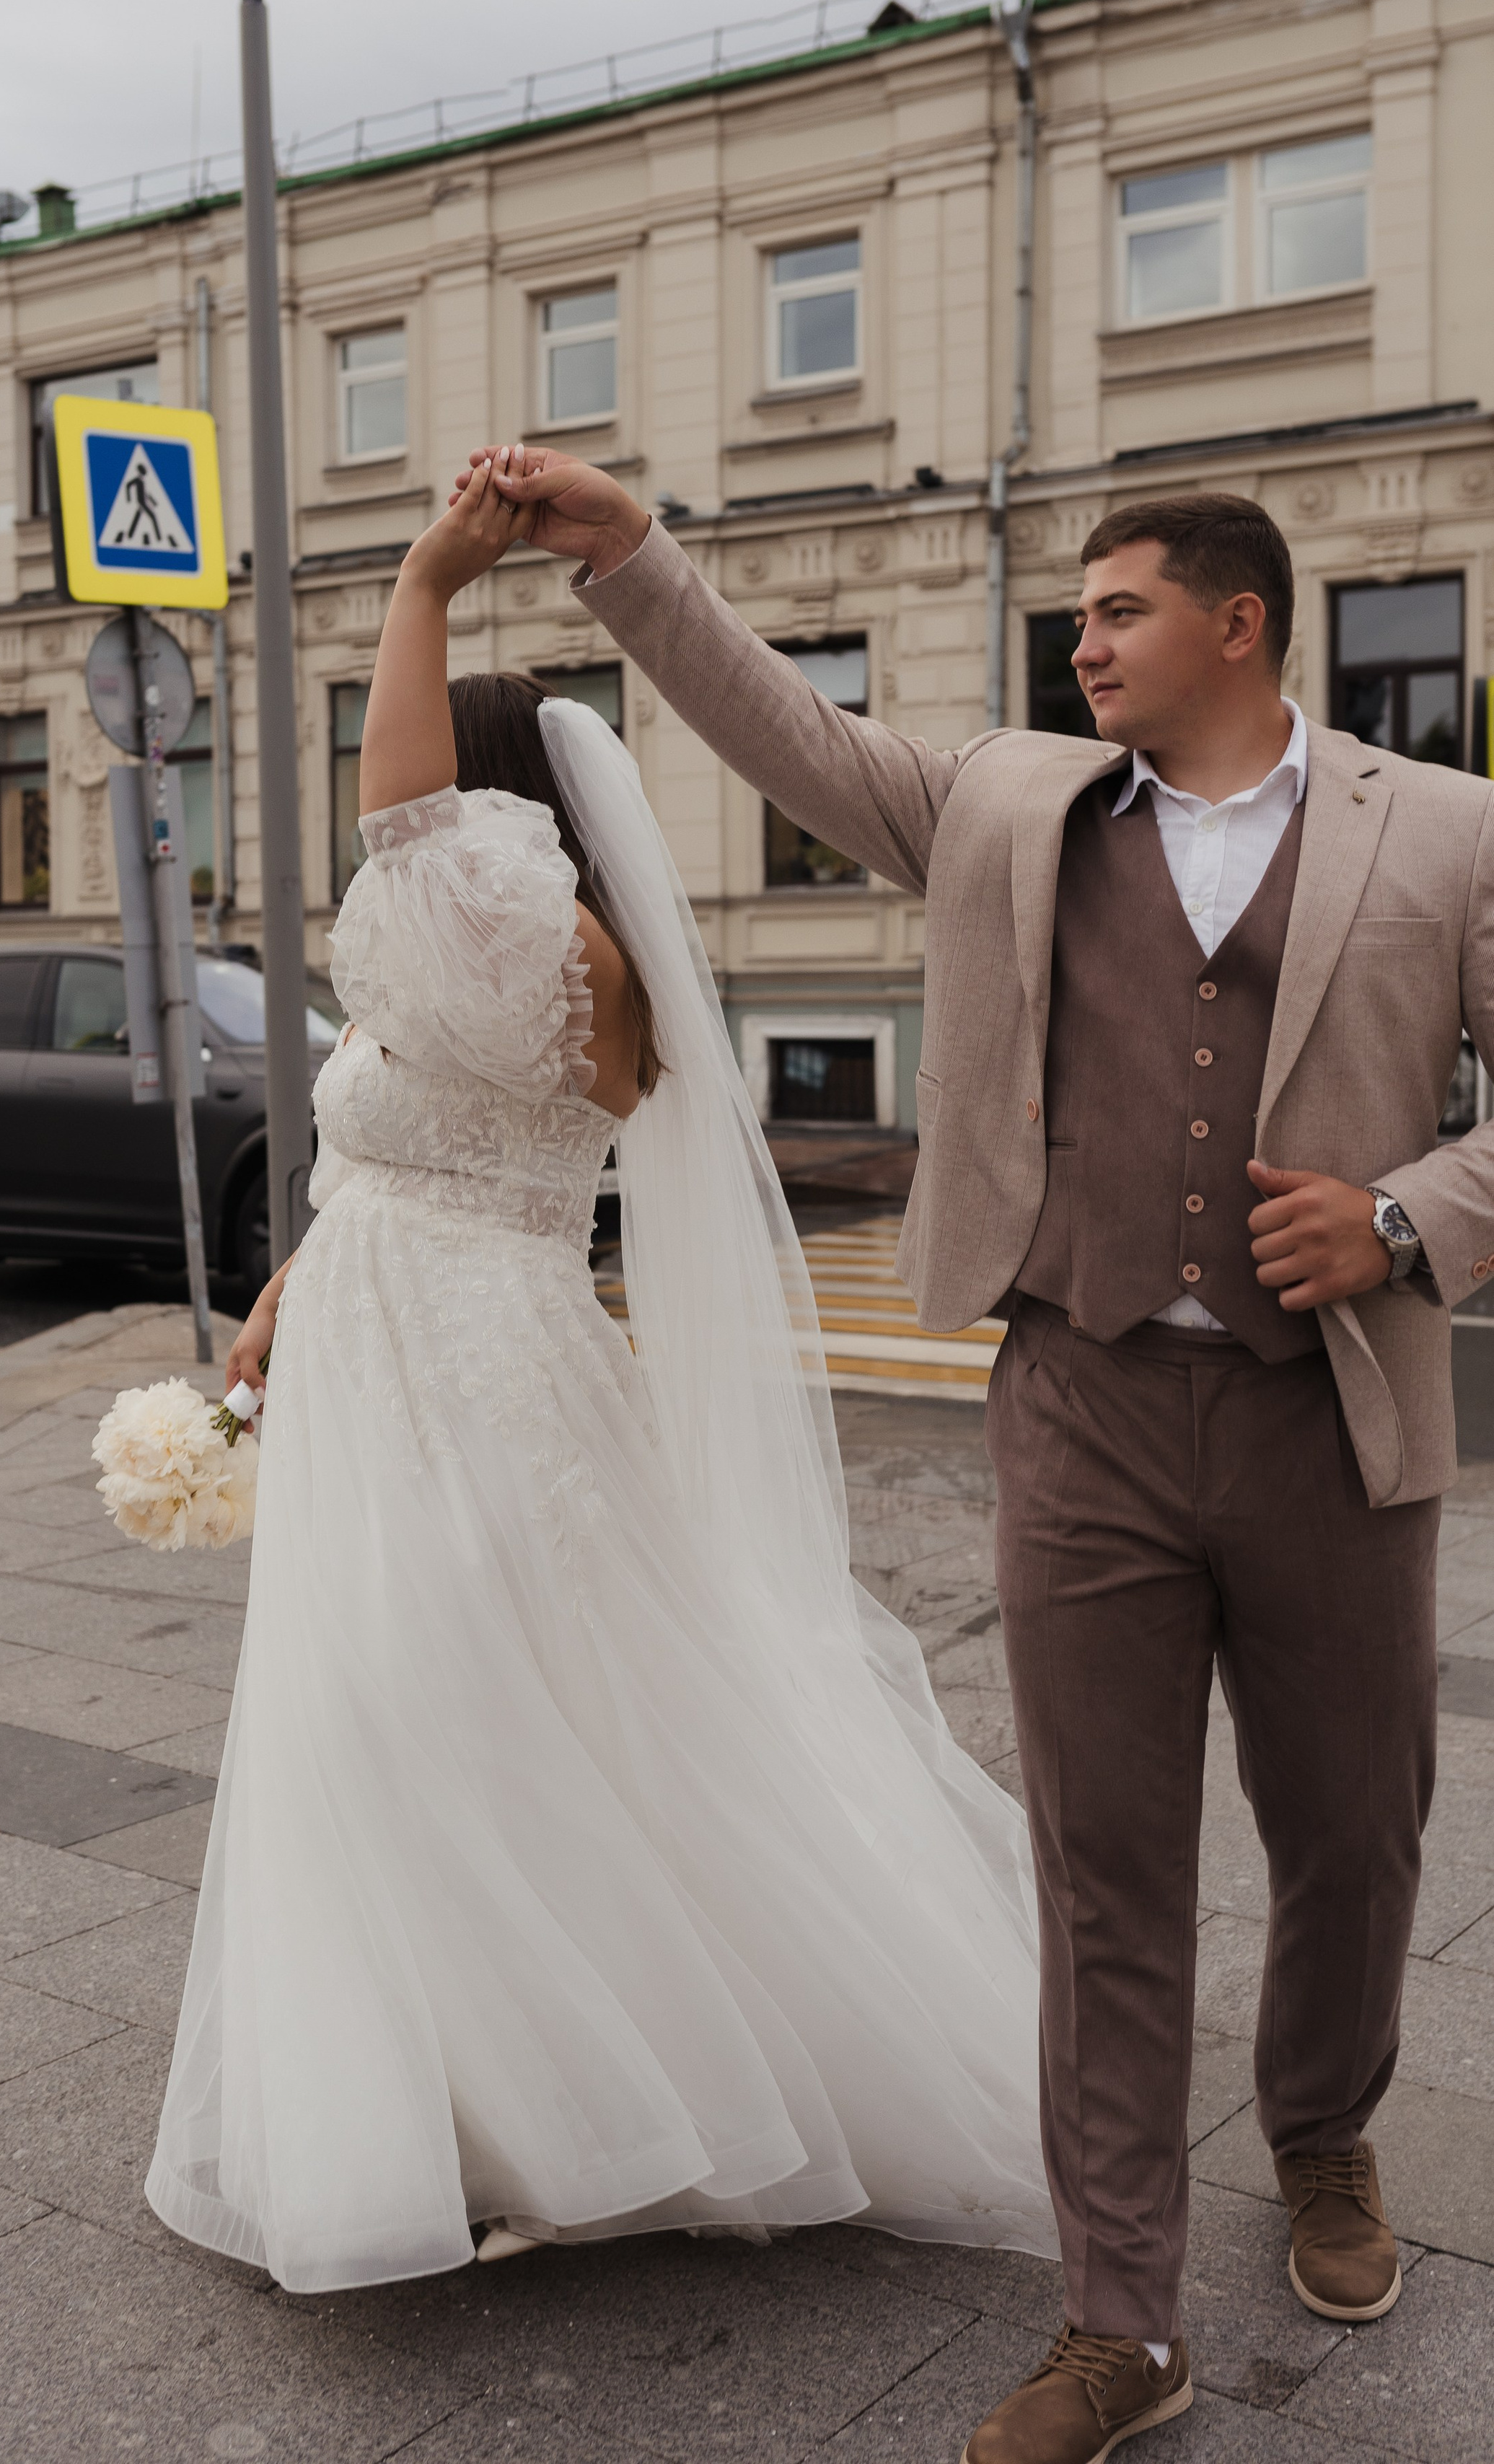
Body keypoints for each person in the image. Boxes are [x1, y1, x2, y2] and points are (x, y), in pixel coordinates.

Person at [472, 446, 1487, 2464]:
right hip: (1084, 1406)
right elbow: (785, 725)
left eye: (1116, 612)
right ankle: (1121, 2321)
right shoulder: (1005, 799)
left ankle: (1320, 2134)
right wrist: (631, 560)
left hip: (1328, 1419)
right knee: (1104, 1878)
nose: (1081, 639)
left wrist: (1402, 1220)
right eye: (1079, 619)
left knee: (1352, 1840)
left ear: (1238, 623)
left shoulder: (1449, 834)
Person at [146, 453, 1057, 2296]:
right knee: (436, 1723)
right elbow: (416, 1149)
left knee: (435, 1715)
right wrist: (296, 1283)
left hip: (474, 1373)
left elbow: (400, 829)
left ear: (497, 810)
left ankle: (591, 2108)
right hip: (409, 1338)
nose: (394, 794)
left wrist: (424, 581)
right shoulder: (493, 962)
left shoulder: (526, 937)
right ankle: (470, 2102)